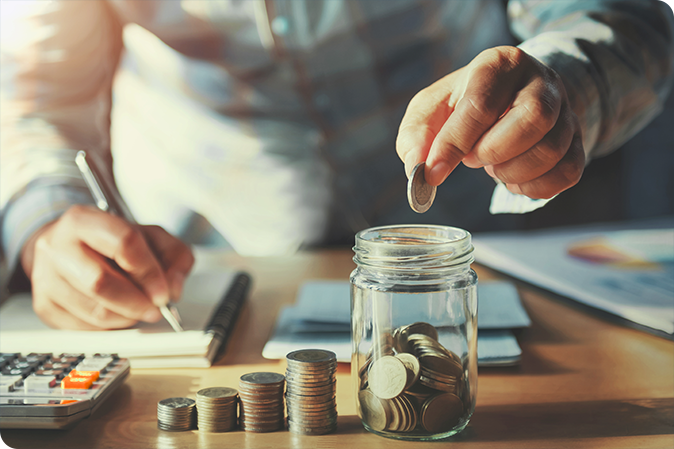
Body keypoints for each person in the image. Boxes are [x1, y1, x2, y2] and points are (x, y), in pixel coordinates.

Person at [0, 0, 671, 330]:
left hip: (494, 253)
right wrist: (45, 218)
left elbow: (626, 18)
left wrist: (564, 87)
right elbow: (35, 91)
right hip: (209, 278)